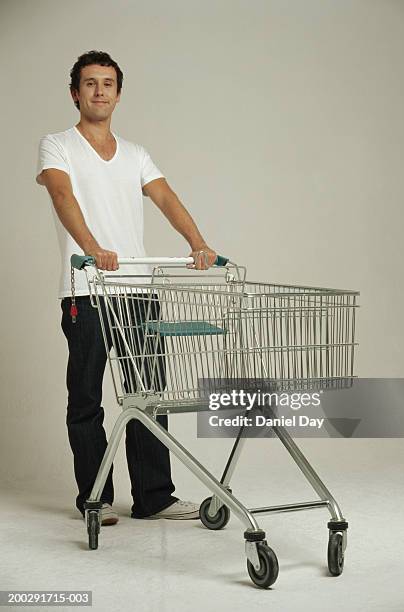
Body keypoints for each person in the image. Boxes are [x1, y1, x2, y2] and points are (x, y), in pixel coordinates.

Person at [36, 50, 217, 525]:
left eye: (108, 84)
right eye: (90, 83)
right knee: (86, 400)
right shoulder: (57, 145)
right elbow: (61, 194)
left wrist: (198, 243)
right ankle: (94, 497)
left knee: (149, 396)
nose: (100, 91)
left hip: (137, 292)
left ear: (118, 93)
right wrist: (93, 247)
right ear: (75, 93)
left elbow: (166, 196)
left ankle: (154, 497)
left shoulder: (136, 154)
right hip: (87, 289)